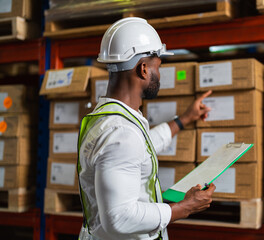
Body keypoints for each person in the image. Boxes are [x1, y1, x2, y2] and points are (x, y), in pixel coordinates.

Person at [77, 17, 216, 240]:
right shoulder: (122, 133)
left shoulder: (108, 119)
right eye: (158, 67)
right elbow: (119, 217)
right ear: (143, 69)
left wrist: (185, 119)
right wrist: (185, 207)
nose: (159, 75)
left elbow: (143, 146)